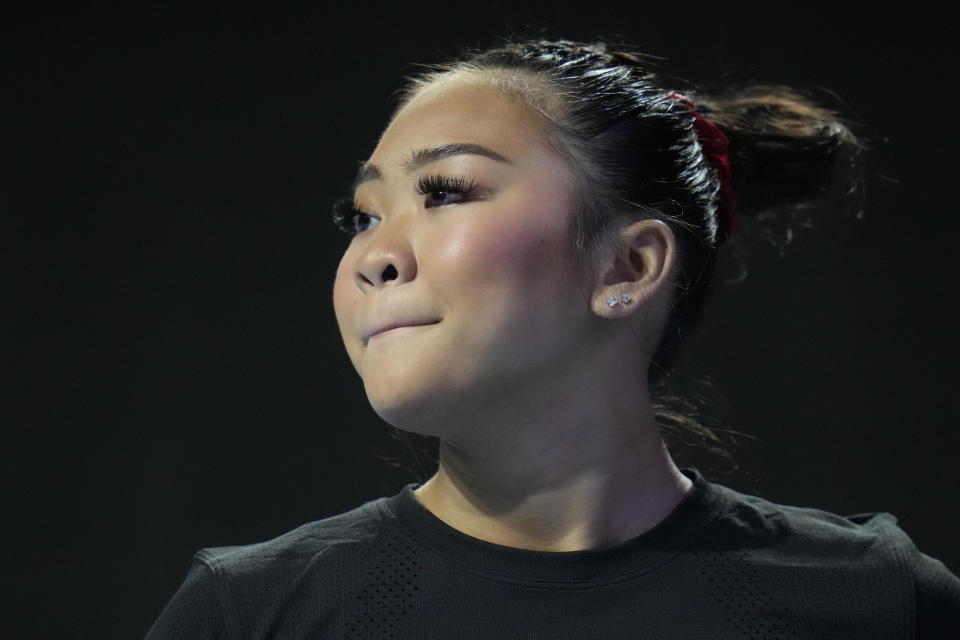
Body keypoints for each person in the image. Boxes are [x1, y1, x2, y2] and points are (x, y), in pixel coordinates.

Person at [146, 38, 960, 638]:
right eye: (361, 216)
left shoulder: (873, 603)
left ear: (628, 263)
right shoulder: (249, 615)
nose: (374, 255)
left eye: (447, 191)